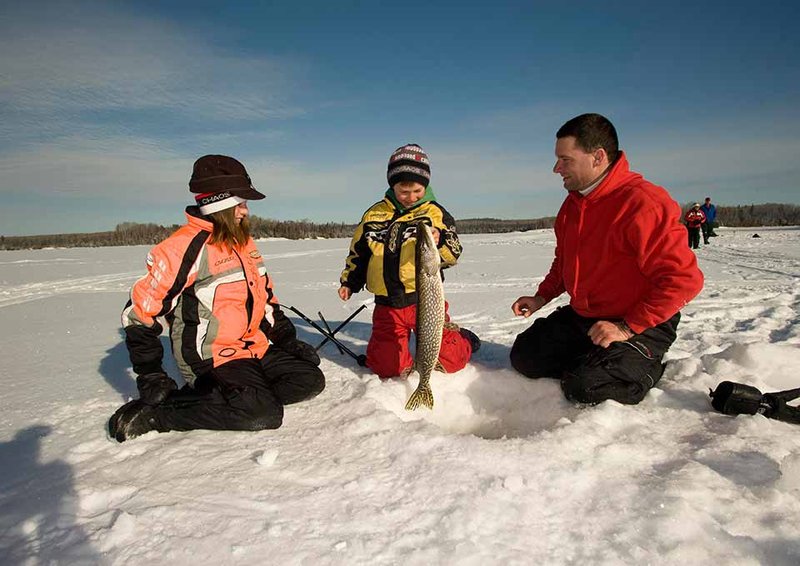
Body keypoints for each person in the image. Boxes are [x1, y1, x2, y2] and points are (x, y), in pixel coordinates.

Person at [108, 155, 325, 442]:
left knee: (309, 380)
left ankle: (230, 396)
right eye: (241, 203)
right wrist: (150, 374)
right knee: (262, 415)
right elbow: (138, 312)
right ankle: (158, 414)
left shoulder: (243, 243)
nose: (246, 211)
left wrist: (287, 340)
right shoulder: (184, 247)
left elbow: (266, 297)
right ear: (221, 203)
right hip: (212, 357)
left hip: (251, 348)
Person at [509, 113, 704, 405]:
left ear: (597, 157)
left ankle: (642, 364)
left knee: (586, 386)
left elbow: (683, 281)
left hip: (641, 320)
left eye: (565, 160)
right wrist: (541, 297)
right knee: (525, 357)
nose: (556, 168)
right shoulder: (572, 205)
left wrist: (626, 328)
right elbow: (565, 262)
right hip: (588, 315)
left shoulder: (642, 203)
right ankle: (599, 359)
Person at [338, 143, 480, 379]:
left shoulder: (435, 213)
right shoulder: (373, 215)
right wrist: (349, 282)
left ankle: (464, 339)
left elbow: (453, 253)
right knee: (388, 368)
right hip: (387, 304)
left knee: (449, 361)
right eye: (404, 192)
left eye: (417, 191)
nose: (410, 197)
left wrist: (440, 239)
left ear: (425, 186)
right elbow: (359, 253)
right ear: (392, 186)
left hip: (423, 299)